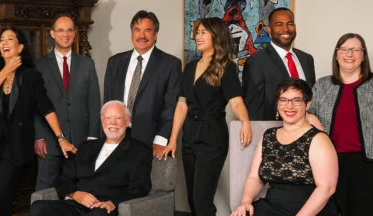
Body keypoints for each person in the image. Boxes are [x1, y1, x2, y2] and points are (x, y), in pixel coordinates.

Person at [0, 26, 76, 216]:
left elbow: (46, 108)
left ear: (21, 47)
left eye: (10, 39)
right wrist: (7, 69)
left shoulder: (30, 75)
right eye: (1, 40)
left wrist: (61, 137)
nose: (4, 43)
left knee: (1, 193)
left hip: (14, 145)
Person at [307, 33, 373, 215]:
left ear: (363, 55)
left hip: (372, 167)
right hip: (331, 165)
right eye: (344, 49)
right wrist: (310, 117)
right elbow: (306, 117)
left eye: (355, 49)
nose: (349, 54)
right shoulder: (322, 86)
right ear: (336, 54)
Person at [164, 17, 252, 216]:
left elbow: (236, 100)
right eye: (197, 32)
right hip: (189, 135)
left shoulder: (226, 67)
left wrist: (245, 122)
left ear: (216, 35)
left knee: (202, 199)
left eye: (204, 32)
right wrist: (172, 140)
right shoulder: (190, 67)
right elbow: (181, 103)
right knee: (191, 200)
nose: (198, 36)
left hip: (212, 135)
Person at [231, 78, 338, 216]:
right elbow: (255, 178)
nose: (289, 106)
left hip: (309, 210)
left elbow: (326, 188)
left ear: (307, 104)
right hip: (272, 207)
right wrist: (246, 201)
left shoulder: (319, 139)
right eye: (284, 100)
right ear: (277, 104)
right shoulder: (268, 136)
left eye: (296, 100)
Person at [30, 100, 152, 216]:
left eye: (118, 118)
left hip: (103, 207)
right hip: (76, 204)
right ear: (102, 120)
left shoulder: (139, 150)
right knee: (39, 207)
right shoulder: (86, 147)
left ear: (127, 121)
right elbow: (64, 179)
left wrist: (113, 203)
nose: (113, 123)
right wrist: (75, 194)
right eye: (108, 118)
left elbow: (140, 188)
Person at [33, 14, 101, 191]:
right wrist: (39, 136)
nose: (66, 34)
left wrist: (93, 138)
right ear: (52, 33)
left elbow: (94, 103)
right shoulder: (39, 65)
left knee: (80, 190)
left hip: (81, 141)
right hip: (49, 141)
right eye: (61, 30)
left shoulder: (87, 64)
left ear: (75, 33)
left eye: (70, 30)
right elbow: (35, 105)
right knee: (45, 190)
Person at [103, 10, 182, 155]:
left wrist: (161, 138)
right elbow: (108, 101)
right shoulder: (114, 62)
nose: (142, 36)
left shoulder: (170, 64)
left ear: (155, 35)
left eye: (147, 31)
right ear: (131, 33)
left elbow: (170, 105)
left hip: (150, 140)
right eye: (137, 30)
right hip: (116, 136)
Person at [242, 7, 316, 120]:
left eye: (290, 23)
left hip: (306, 129)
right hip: (275, 132)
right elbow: (253, 109)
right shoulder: (257, 61)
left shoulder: (307, 59)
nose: (286, 28)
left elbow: (311, 98)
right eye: (279, 24)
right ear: (269, 30)